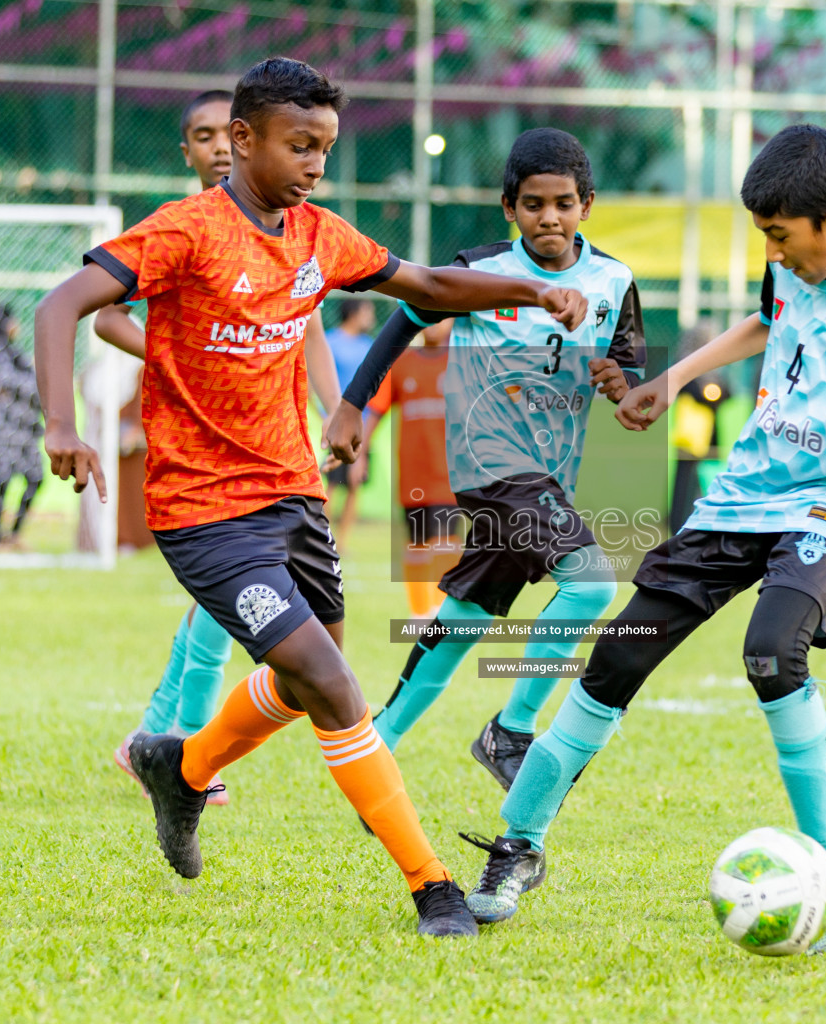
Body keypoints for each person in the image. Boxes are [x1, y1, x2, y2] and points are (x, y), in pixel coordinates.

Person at [33, 57, 587, 937]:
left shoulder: (321, 235)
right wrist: (61, 423)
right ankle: (432, 885)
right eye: (300, 146)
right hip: (204, 511)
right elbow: (65, 305)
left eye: (325, 148)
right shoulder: (185, 231)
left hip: (293, 495)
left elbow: (431, 287)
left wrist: (532, 289)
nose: (315, 163)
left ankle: (179, 769)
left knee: (301, 674)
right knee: (332, 683)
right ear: (243, 141)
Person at [458, 125, 826, 954]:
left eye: (782, 237)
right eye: (766, 238)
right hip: (739, 499)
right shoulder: (790, 265)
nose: (773, 252)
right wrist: (667, 384)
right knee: (617, 658)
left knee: (772, 650)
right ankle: (517, 846)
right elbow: (760, 320)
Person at [327, 127, 644, 788]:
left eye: (562, 202)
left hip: (551, 473)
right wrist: (353, 404)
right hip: (489, 464)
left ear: (587, 203)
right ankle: (512, 730)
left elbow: (624, 368)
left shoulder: (615, 281)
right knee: (590, 584)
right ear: (510, 207)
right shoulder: (479, 272)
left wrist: (622, 385)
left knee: (466, 614)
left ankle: (375, 748)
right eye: (533, 204)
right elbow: (402, 323)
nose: (548, 217)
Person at [94, 87, 344, 810]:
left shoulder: (292, 227)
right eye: (198, 136)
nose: (211, 147)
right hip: (207, 464)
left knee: (211, 612)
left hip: (273, 451)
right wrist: (176, 357)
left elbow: (312, 327)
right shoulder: (180, 232)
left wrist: (335, 406)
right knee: (220, 615)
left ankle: (150, 735)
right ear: (194, 149)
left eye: (218, 132)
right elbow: (104, 315)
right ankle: (187, 755)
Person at [360, 317, 462, 620]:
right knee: (417, 542)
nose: (434, 324)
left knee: (445, 540)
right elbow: (375, 411)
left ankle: (443, 610)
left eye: (441, 317)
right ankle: (419, 611)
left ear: (453, 322)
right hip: (413, 471)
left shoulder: (464, 363)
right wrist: (360, 452)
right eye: (430, 316)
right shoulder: (402, 363)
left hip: (451, 471)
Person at [0, 305, 45, 550]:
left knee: (36, 478)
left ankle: (14, 533)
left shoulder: (15, 352)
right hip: (2, 427)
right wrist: (32, 385)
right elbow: (13, 382)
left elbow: (33, 385)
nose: (18, 326)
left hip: (26, 427)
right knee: (1, 481)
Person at [324, 297, 377, 551]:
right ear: (354, 312)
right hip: (339, 425)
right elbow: (316, 382)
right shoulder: (329, 341)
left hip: (365, 428)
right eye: (368, 310)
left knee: (355, 484)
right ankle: (324, 537)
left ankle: (342, 543)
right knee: (333, 484)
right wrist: (328, 414)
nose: (372, 316)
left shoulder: (370, 346)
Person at [669, 320, 731, 533]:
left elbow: (725, 392)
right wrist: (711, 393)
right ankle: (677, 524)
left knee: (710, 481)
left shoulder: (715, 367)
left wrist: (712, 392)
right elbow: (698, 393)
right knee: (684, 484)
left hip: (711, 435)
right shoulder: (683, 364)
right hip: (691, 435)